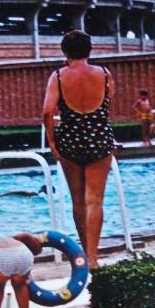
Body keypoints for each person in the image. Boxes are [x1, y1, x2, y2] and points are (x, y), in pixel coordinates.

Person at [43, 29, 116, 268]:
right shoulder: (104, 74)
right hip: (99, 139)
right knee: (95, 201)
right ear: (89, 50)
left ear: (64, 52)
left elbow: (47, 111)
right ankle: (93, 257)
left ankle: (84, 253)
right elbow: (109, 99)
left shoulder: (59, 77)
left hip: (70, 140)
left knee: (77, 200)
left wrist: (52, 142)